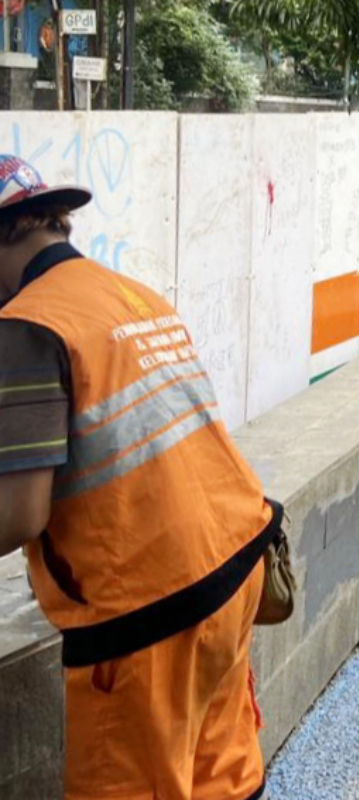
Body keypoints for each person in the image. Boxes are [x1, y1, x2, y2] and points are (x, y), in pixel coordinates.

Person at [0, 154, 277, 800]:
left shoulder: (26, 325)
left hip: (150, 621)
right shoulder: (128, 294)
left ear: (10, 231)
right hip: (236, 572)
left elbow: (19, 514)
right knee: (221, 782)